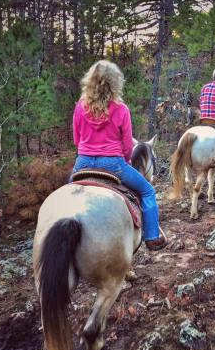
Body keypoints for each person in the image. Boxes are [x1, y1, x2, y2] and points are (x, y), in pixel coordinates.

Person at [71, 60, 166, 251]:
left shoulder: (80, 107)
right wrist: (125, 160)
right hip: (112, 164)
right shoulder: (121, 109)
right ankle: (153, 236)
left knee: (65, 199)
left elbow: (76, 139)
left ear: (90, 81)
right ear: (115, 83)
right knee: (147, 191)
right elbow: (126, 145)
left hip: (83, 163)